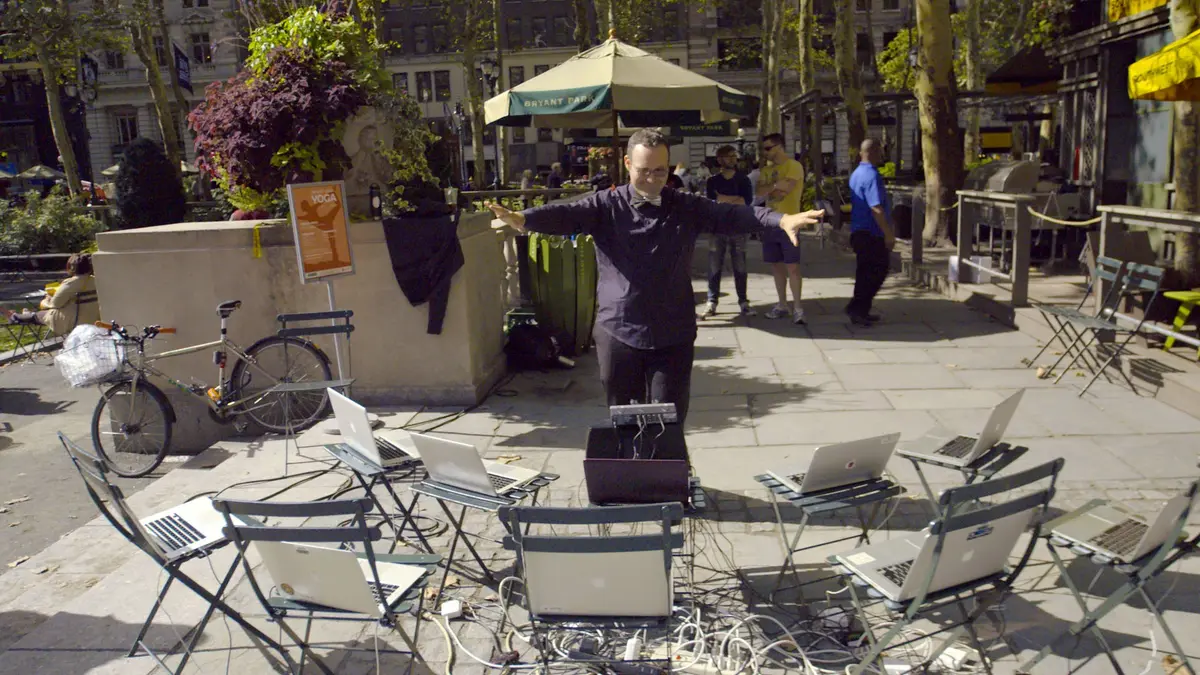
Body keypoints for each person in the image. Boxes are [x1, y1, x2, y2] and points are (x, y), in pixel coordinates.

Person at [488, 129, 823, 423]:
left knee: (669, 419)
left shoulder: (684, 205)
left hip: (672, 332)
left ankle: (672, 483)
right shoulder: (606, 205)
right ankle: (631, 486)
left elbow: (731, 215)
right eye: (643, 171)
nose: (651, 179)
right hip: (618, 329)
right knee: (623, 418)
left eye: (660, 172)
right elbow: (565, 215)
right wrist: (524, 219)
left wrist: (779, 221)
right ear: (628, 165)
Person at [756, 133, 807, 324]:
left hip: (790, 222)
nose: (765, 152)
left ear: (780, 146)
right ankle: (782, 304)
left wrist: (772, 187)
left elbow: (785, 189)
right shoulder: (766, 170)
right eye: (764, 149)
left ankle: (798, 308)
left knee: (793, 267)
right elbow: (760, 192)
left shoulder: (793, 166)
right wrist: (775, 185)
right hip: (769, 222)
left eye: (768, 148)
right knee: (776, 267)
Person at [701, 145, 755, 318]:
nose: (732, 159)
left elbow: (745, 201)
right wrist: (733, 199)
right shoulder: (712, 181)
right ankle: (712, 301)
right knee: (714, 267)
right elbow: (712, 202)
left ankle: (743, 301)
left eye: (734, 156)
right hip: (717, 229)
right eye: (727, 156)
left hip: (739, 228)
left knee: (740, 267)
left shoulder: (743, 180)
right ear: (719, 160)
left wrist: (723, 198)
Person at [846, 138, 896, 326]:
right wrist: (888, 234)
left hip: (859, 230)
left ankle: (859, 308)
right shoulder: (872, 176)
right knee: (878, 270)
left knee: (864, 272)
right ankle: (858, 308)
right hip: (871, 232)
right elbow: (876, 208)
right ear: (875, 152)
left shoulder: (857, 173)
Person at [2, 254, 100, 336]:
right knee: (44, 314)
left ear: (72, 267)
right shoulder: (96, 280)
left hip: (71, 322)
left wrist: (47, 300)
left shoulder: (70, 283)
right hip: (93, 320)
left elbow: (55, 304)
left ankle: (16, 317)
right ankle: (22, 315)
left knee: (42, 314)